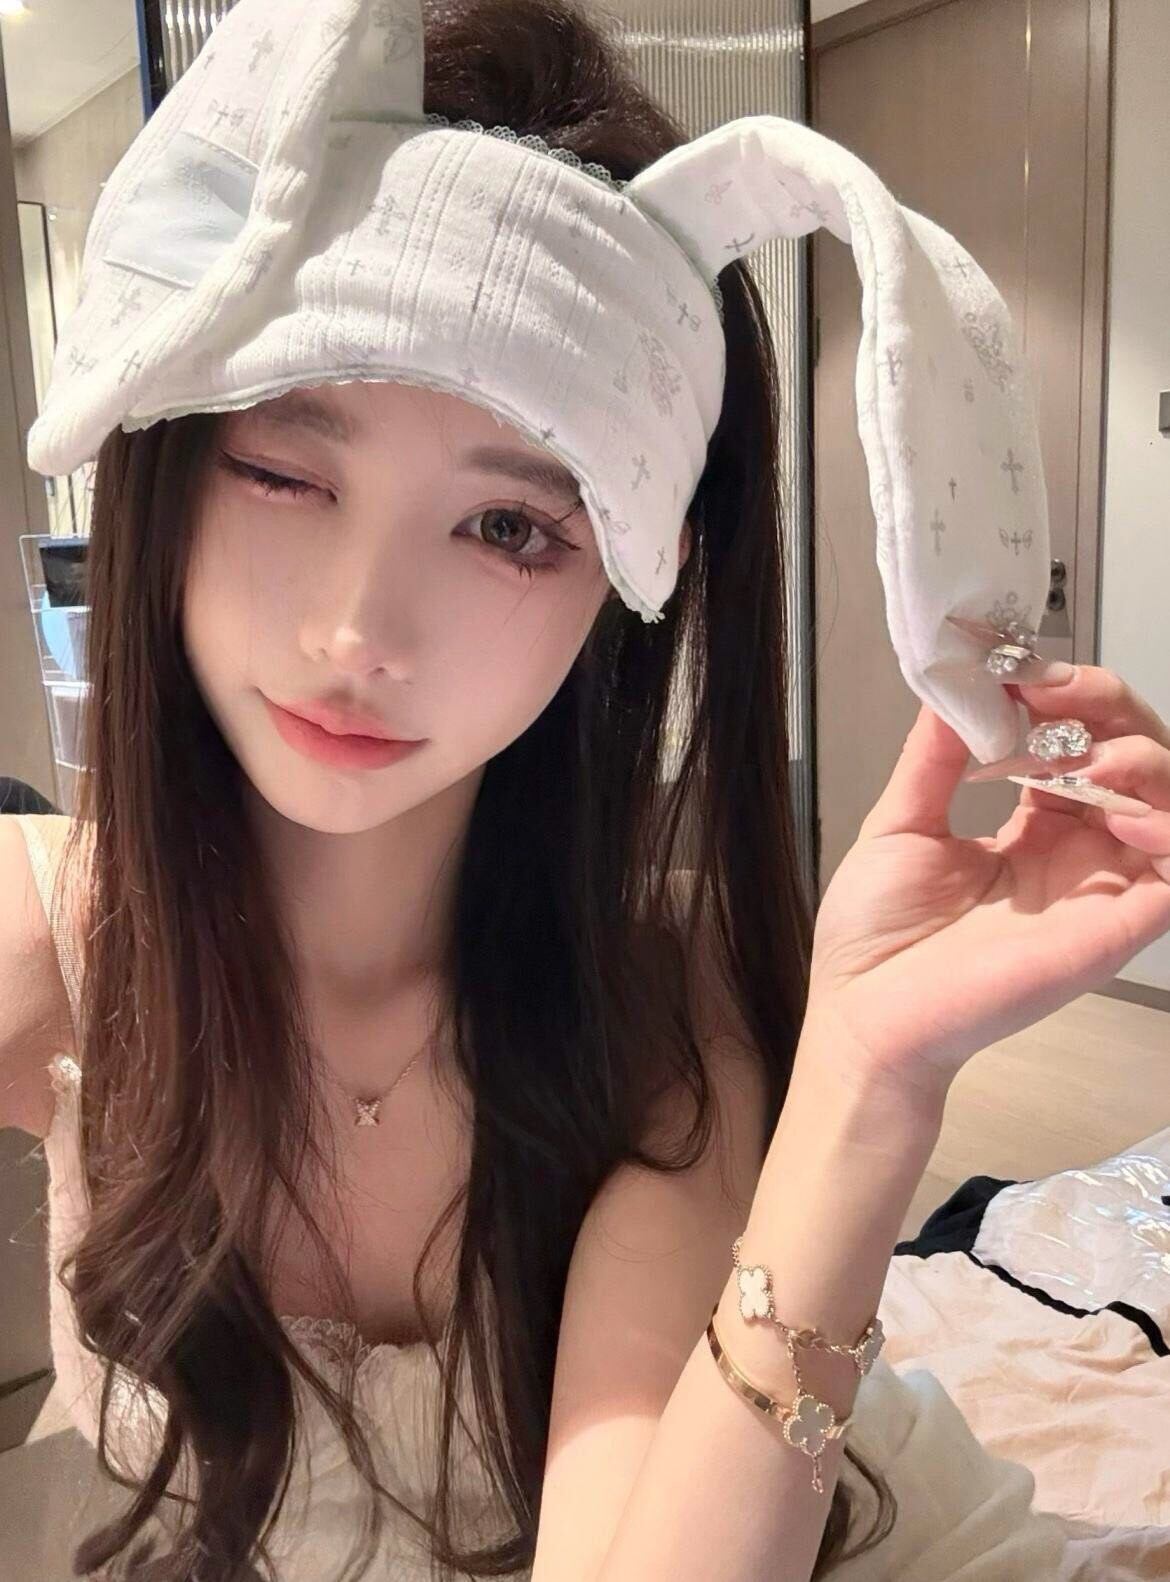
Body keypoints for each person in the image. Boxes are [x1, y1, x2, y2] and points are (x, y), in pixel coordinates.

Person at [3, 2, 1170, 1581]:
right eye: (283, 468)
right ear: (168, 452)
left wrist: (871, 1076)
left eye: (507, 527)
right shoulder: (50, 940)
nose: (359, 632)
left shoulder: (650, 996)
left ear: (629, 575)